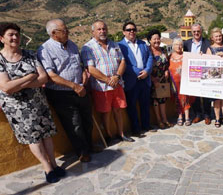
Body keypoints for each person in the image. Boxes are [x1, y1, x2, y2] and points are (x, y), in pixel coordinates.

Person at [0, 23, 65, 183]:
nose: (15, 37)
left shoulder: (29, 54)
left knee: (46, 135)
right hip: (17, 109)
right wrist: (29, 77)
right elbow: (6, 87)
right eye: (11, 35)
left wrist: (19, 83)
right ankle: (47, 168)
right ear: (1, 38)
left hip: (39, 103)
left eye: (17, 34)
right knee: (33, 139)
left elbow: (43, 78)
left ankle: (55, 165)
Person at [37, 19, 95, 163]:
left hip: (80, 88)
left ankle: (90, 146)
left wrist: (82, 75)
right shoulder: (45, 50)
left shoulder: (72, 45)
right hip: (61, 94)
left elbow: (79, 65)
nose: (67, 32)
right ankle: (82, 152)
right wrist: (74, 86)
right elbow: (51, 76)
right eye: (64, 30)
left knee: (87, 120)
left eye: (67, 29)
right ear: (54, 33)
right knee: (74, 124)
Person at [81, 20, 134, 143]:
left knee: (118, 110)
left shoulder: (114, 45)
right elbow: (91, 69)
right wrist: (108, 80)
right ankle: (109, 136)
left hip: (117, 84)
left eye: (104, 28)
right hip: (102, 87)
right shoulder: (87, 48)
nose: (102, 31)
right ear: (93, 31)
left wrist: (117, 77)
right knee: (106, 112)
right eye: (99, 29)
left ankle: (121, 134)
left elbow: (122, 61)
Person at [118, 22, 153, 135]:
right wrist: (138, 72)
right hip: (131, 81)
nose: (131, 31)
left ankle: (146, 126)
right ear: (124, 32)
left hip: (145, 79)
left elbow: (150, 57)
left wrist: (147, 71)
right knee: (132, 106)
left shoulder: (143, 44)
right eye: (128, 30)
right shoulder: (120, 46)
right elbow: (122, 63)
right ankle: (136, 129)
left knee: (145, 104)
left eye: (133, 29)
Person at [183, 23, 212, 124]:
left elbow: (212, 56)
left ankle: (207, 115)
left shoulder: (207, 43)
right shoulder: (186, 44)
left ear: (201, 32)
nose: (196, 33)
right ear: (191, 32)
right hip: (192, 73)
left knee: (206, 96)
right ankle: (198, 114)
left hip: (205, 73)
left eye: (198, 31)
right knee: (194, 96)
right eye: (194, 31)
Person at [206, 27, 223, 129]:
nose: (218, 38)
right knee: (216, 99)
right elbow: (207, 63)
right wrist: (215, 57)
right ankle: (217, 118)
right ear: (212, 38)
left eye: (220, 36)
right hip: (215, 78)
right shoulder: (209, 49)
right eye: (216, 36)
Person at [148, 29, 172, 129]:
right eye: (154, 39)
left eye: (158, 39)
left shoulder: (163, 50)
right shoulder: (147, 51)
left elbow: (167, 63)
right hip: (152, 80)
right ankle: (159, 120)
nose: (157, 41)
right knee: (155, 101)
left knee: (163, 100)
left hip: (163, 79)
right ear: (149, 40)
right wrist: (152, 78)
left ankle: (165, 118)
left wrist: (167, 70)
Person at [169, 38, 195, 126]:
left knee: (185, 98)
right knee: (177, 99)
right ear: (173, 46)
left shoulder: (186, 56)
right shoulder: (170, 56)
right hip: (174, 83)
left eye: (180, 45)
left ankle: (187, 117)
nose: (179, 47)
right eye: (176, 44)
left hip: (184, 82)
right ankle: (180, 116)